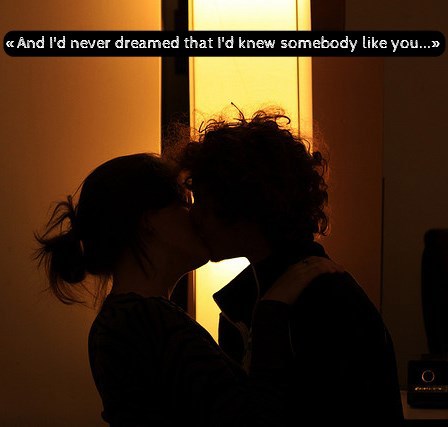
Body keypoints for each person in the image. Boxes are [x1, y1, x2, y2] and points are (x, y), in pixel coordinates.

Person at [33, 152, 343, 426]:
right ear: (150, 221)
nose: (197, 217)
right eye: (185, 203)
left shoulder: (126, 318)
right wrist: (273, 310)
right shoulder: (146, 320)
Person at [169, 108, 405, 426]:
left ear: (245, 205)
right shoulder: (250, 297)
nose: (194, 217)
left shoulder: (327, 300)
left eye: (204, 203)